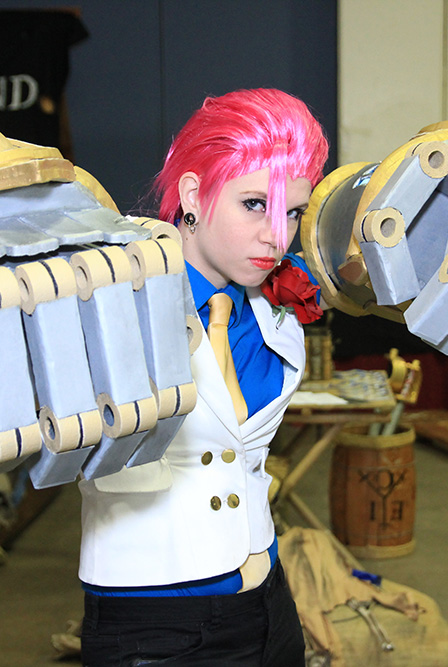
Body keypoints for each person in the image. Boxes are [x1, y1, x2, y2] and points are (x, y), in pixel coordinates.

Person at [78, 88, 329, 666]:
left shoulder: (269, 299)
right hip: (154, 621)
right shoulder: (109, 298)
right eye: (253, 205)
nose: (277, 236)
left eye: (292, 212)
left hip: (269, 603)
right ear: (193, 195)